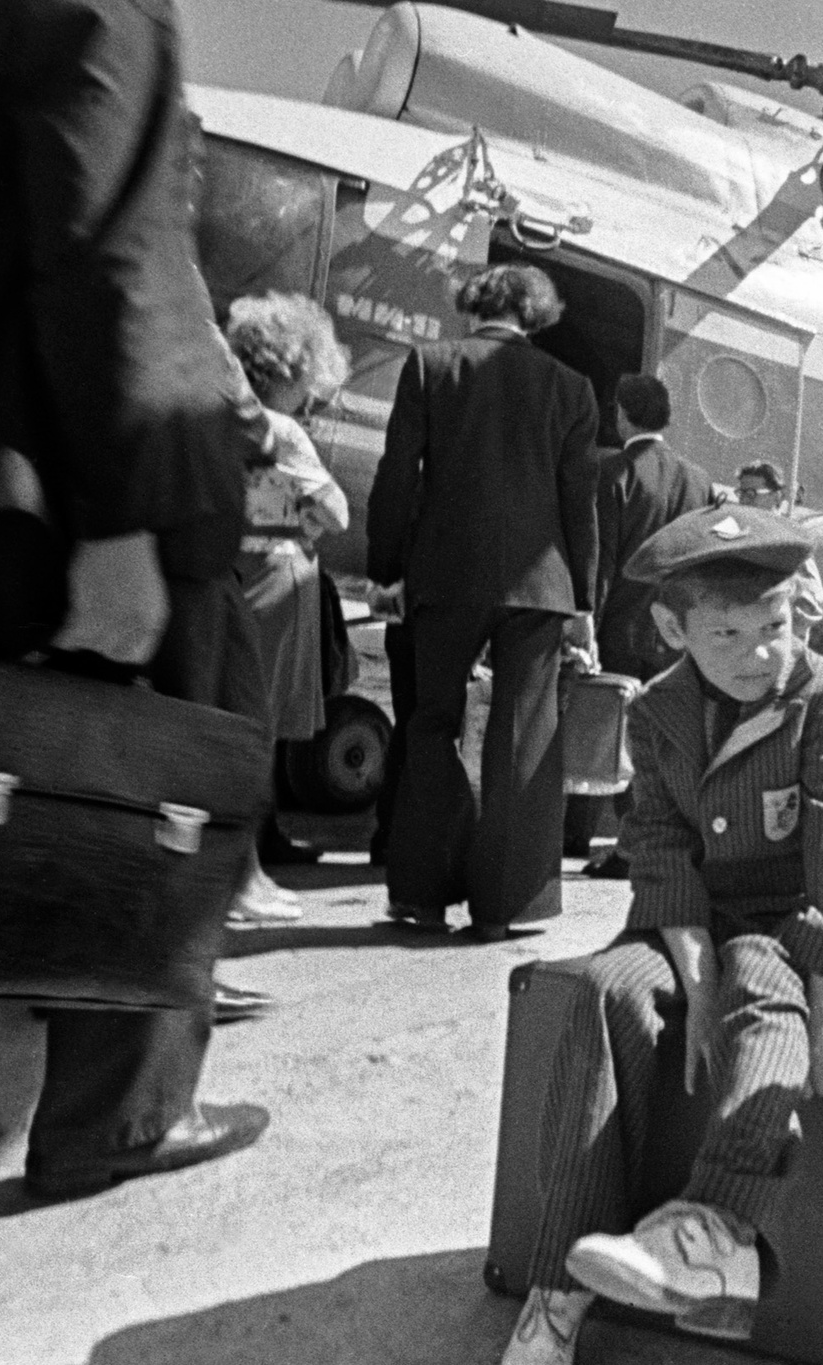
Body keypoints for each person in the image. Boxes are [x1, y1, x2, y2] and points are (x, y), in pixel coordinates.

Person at [0, 0, 269, 1194]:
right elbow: (105, 234)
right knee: (159, 799)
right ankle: (117, 1122)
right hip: (70, 473)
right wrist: (122, 517)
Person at [502, 505, 823, 1365]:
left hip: (787, 923)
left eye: (776, 626)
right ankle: (558, 1290)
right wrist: (695, 986)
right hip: (682, 921)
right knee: (606, 991)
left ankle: (712, 1230)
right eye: (729, 633)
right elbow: (661, 845)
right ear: (674, 628)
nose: (760, 653)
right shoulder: (658, 709)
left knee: (762, 986)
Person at [366, 264, 600, 939]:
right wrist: (582, 598)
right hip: (541, 585)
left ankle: (421, 894)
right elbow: (578, 505)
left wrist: (387, 566)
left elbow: (395, 477)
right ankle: (507, 904)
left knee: (432, 724)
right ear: (537, 313)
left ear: (474, 305)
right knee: (525, 732)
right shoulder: (573, 387)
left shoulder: (429, 365)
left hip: (445, 574)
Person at [223, 292, 353, 918]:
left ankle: (244, 870)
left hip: (241, 579)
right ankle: (242, 880)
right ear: (295, 368)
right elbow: (334, 511)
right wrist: (309, 516)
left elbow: (255, 511)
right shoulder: (285, 431)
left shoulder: (231, 416)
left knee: (238, 731)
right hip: (274, 592)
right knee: (257, 737)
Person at [566, 374, 722, 875]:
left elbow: (601, 560)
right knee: (662, 740)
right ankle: (654, 839)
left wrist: (583, 621)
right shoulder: (697, 481)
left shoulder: (611, 472)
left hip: (622, 628)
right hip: (675, 631)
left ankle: (588, 837)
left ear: (622, 415)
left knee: (604, 727)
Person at [731, 461, 823, 644]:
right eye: (741, 493)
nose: (744, 500)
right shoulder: (739, 538)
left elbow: (812, 603)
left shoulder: (788, 541)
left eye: (751, 494)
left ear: (775, 497)